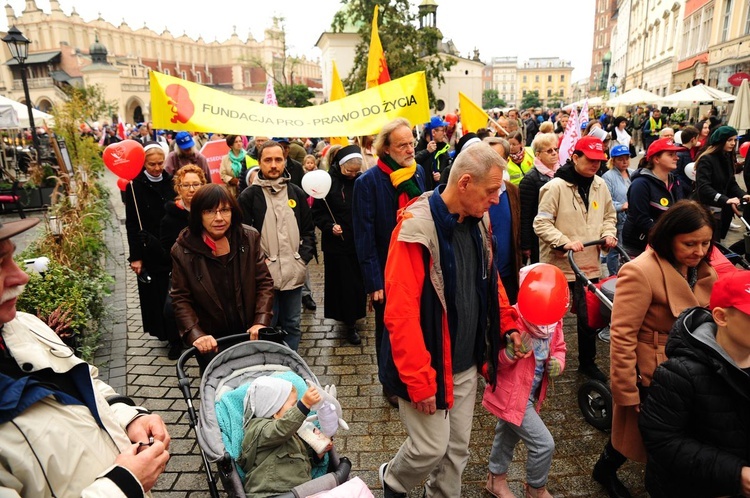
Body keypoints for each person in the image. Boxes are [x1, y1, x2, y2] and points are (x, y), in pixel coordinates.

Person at [378, 142, 520, 498]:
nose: (497, 200)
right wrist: (419, 380)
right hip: (427, 366)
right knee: (429, 447)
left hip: (465, 361)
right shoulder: (415, 229)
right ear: (465, 183)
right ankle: (393, 481)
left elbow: (490, 280)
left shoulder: (479, 220)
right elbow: (401, 313)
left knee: (456, 450)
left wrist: (507, 323)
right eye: (491, 191)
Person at [0, 217, 171, 496]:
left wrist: (129, 418)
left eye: (12, 258)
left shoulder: (24, 324)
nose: (22, 276)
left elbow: (87, 385)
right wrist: (124, 484)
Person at [593, 200, 718, 498]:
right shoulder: (640, 271)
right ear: (669, 236)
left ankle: (608, 468)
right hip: (654, 370)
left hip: (691, 367)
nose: (698, 251)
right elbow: (622, 335)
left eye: (705, 243)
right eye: (689, 243)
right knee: (651, 436)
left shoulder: (699, 268)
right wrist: (626, 389)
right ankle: (611, 471)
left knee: (651, 433)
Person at [639, 271, 750, 498]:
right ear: (721, 317)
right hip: (696, 487)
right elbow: (662, 439)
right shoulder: (680, 372)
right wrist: (736, 474)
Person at [351, 118, 426, 407]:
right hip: (386, 269)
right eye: (402, 145)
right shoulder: (367, 183)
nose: (410, 149)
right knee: (389, 329)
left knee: (416, 325)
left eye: (411, 143)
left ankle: (413, 373)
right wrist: (373, 282)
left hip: (417, 262)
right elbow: (364, 235)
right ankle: (390, 382)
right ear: (385, 149)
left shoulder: (417, 172)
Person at [533, 135, 617, 382]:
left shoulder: (601, 185)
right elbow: (541, 222)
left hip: (589, 265)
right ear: (575, 158)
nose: (595, 165)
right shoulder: (554, 187)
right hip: (560, 265)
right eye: (590, 160)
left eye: (599, 161)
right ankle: (542, 362)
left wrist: (609, 234)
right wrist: (563, 241)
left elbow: (609, 216)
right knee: (549, 320)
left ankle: (587, 363)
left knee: (588, 319)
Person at [483, 264, 566, 498]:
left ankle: (494, 480)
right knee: (543, 444)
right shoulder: (512, 321)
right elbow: (492, 363)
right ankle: (536, 489)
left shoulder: (553, 319)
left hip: (531, 394)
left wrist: (558, 363)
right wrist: (509, 354)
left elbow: (559, 347)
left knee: (506, 435)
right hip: (512, 396)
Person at [171, 184, 275, 371]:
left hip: (250, 333)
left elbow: (264, 283)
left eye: (225, 210)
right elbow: (180, 298)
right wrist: (196, 334)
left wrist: (261, 321)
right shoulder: (182, 250)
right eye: (210, 211)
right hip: (212, 340)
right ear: (198, 215)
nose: (219, 218)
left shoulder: (248, 238)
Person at [238, 141, 316, 352]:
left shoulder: (296, 193)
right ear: (260, 163)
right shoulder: (248, 196)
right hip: (264, 279)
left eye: (278, 160)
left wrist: (301, 260)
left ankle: (290, 365)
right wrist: (259, 265)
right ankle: (269, 366)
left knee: (292, 324)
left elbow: (309, 231)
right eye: (268, 160)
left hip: (293, 274)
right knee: (267, 326)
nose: (273, 165)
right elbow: (242, 238)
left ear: (285, 161)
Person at [239, 377, 331, 497]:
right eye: (293, 404)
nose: (297, 407)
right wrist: (304, 405)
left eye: (298, 403)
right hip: (269, 493)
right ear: (275, 411)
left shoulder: (294, 433)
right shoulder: (259, 429)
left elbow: (303, 461)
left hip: (299, 492)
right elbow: (281, 429)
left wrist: (318, 454)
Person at [311, 145, 366, 345]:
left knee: (356, 285)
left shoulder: (360, 180)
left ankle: (356, 315)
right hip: (337, 245)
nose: (352, 175)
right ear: (340, 166)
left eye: (355, 171)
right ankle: (348, 324)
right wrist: (330, 226)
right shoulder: (327, 182)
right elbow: (317, 212)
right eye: (348, 171)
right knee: (343, 285)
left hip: (357, 241)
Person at [125, 142, 176, 343]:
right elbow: (131, 224)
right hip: (149, 247)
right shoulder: (134, 186)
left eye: (160, 163)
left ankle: (178, 335)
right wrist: (135, 256)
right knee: (157, 293)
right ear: (144, 164)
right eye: (151, 164)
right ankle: (164, 334)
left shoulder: (172, 182)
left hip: (170, 244)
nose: (156, 168)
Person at [159, 164, 207, 359]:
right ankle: (176, 342)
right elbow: (166, 250)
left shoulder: (210, 211)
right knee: (171, 309)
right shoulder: (170, 217)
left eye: (196, 184)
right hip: (181, 272)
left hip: (207, 271)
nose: (192, 189)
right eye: (186, 185)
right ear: (178, 188)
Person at [621, 137, 684, 258]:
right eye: (671, 154)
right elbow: (640, 219)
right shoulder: (640, 184)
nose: (677, 157)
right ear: (656, 159)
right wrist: (669, 235)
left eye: (676, 154)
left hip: (663, 244)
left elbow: (680, 210)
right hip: (639, 247)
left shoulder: (675, 181)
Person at [695, 125, 750, 241]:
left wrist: (742, 194)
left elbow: (731, 183)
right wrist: (725, 199)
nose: (733, 143)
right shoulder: (707, 159)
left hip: (723, 212)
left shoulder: (727, 157)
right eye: (730, 140)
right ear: (721, 141)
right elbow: (703, 187)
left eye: (735, 140)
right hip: (707, 211)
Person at [487, 146, 522, 304]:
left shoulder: (513, 191)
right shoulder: (475, 193)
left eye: (496, 159)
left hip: (508, 273)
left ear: (506, 162)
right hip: (486, 276)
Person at [519, 133, 560, 265]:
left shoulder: (561, 173)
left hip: (559, 234)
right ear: (538, 155)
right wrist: (526, 245)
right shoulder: (530, 179)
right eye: (549, 151)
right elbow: (525, 215)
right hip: (539, 239)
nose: (554, 153)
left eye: (556, 149)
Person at [602, 145, 632, 276]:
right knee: (615, 250)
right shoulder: (607, 177)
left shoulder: (633, 173)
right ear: (613, 160)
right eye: (621, 159)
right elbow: (605, 202)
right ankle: (613, 275)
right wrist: (622, 206)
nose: (624, 162)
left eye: (626, 158)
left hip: (631, 219)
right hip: (618, 220)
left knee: (628, 249)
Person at [416, 116, 451, 191]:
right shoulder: (419, 147)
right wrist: (427, 152)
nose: (445, 133)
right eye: (443, 130)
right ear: (433, 132)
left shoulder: (443, 148)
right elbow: (413, 162)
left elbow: (449, 169)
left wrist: (441, 176)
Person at [674, 125, 699, 199]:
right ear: (693, 139)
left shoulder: (684, 152)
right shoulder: (681, 154)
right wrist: (688, 187)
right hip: (681, 190)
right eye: (697, 138)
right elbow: (674, 175)